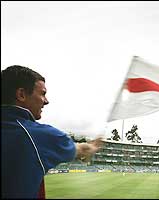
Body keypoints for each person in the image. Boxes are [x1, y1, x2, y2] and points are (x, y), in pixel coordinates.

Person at [1, 65, 103, 199]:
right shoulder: (38, 135)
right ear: (21, 94)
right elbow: (81, 150)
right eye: (42, 93)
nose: (46, 101)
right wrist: (93, 147)